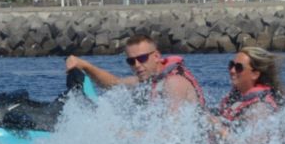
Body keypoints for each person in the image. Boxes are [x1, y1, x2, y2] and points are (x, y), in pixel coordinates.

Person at [65, 34, 205, 112]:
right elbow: (112, 84)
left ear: (156, 56)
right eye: (131, 61)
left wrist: (123, 134)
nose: (137, 65)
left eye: (142, 58)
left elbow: (171, 136)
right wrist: (84, 65)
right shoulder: (150, 80)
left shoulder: (174, 83)